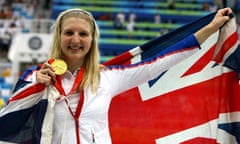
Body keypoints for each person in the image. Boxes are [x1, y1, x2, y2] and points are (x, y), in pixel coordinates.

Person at [0, 7, 233, 144]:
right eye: (69, 33)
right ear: (59, 37)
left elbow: (160, 62)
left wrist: (210, 28)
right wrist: (37, 87)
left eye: (83, 34)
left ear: (92, 41)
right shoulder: (38, 76)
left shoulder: (108, 77)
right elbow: (8, 118)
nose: (75, 40)